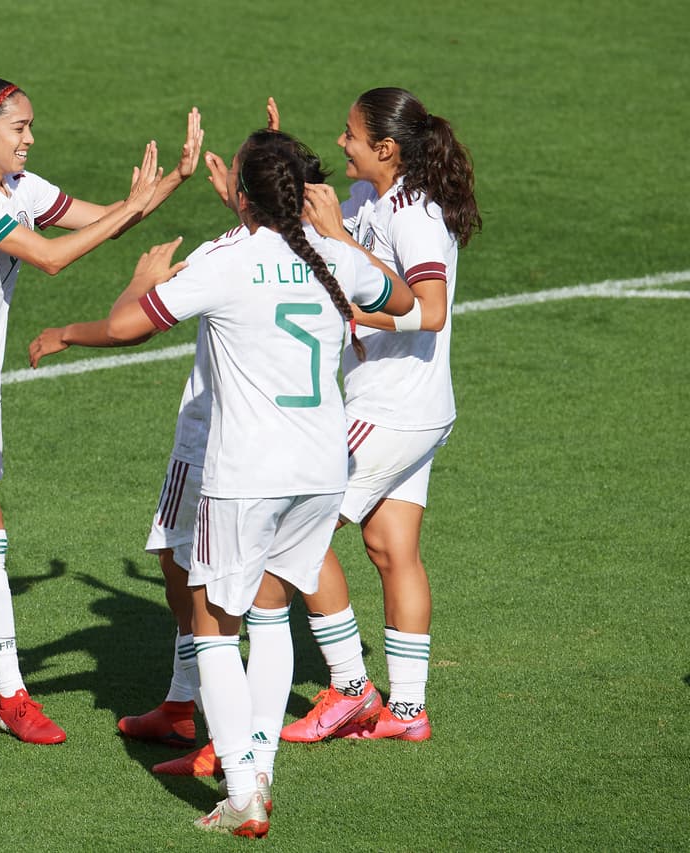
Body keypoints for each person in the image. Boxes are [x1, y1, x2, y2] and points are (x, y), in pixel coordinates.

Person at [103, 129, 416, 836]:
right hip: (319, 470)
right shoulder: (330, 257)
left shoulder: (230, 260)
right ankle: (262, 769)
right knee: (273, 612)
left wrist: (127, 291)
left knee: (216, 622)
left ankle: (241, 789)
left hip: (245, 470)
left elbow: (131, 323)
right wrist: (338, 236)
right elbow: (399, 297)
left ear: (244, 198)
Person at [0, 77, 203, 743]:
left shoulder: (20, 187)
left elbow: (105, 213)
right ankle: (13, 696)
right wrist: (132, 207)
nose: (30, 137)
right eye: (19, 127)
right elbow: (49, 256)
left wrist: (173, 182)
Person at [278, 88, 481, 744]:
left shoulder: (415, 215)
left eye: (351, 136)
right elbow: (311, 241)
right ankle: (409, 712)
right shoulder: (372, 200)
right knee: (392, 549)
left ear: (386, 149)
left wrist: (354, 301)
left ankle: (349, 688)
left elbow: (431, 309)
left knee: (292, 528)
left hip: (391, 405)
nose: (342, 143)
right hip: (413, 404)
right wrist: (278, 161)